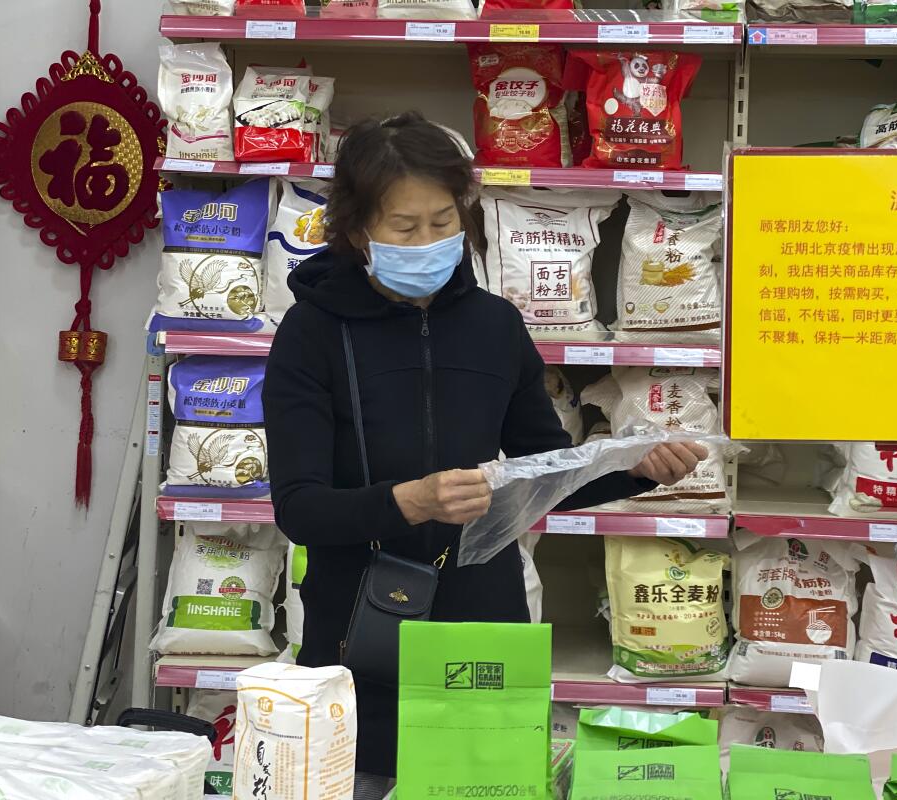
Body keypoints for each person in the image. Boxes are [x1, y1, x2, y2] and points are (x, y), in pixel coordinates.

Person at [262, 112, 708, 799]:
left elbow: (542, 467)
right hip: (361, 629)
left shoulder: (494, 325)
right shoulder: (312, 333)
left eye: (443, 222)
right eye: (404, 228)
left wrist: (632, 468)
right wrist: (407, 501)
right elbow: (299, 507)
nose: (428, 241)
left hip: (481, 626)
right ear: (357, 233)